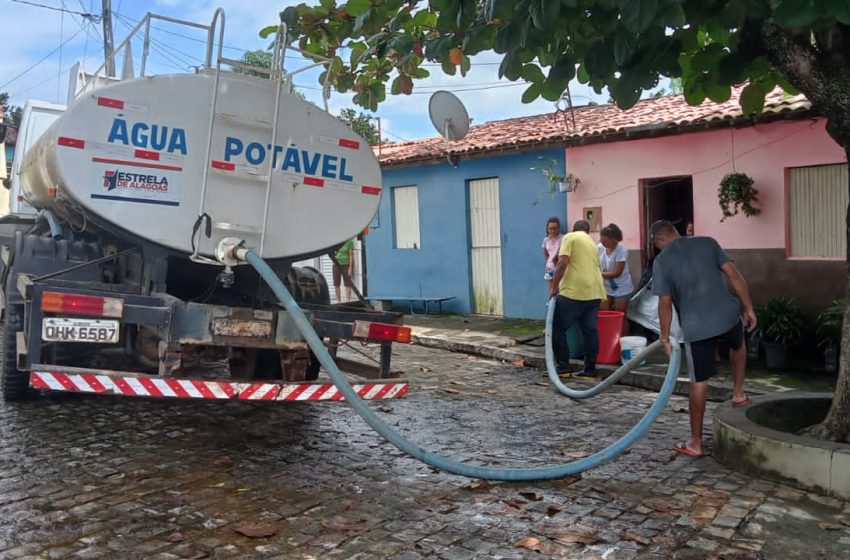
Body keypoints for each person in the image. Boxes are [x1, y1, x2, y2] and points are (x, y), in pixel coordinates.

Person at [649, 220, 757, 458]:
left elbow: (664, 303)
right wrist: (748, 308)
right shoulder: (707, 242)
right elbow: (734, 276)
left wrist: (665, 336)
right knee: (738, 346)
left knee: (699, 382)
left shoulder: (662, 261)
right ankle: (739, 394)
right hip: (728, 314)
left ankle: (696, 443)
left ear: (660, 240)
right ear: (675, 232)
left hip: (696, 327)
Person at [549, 220, 607, 376]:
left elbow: (563, 262)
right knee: (590, 332)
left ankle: (563, 368)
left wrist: (554, 287)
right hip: (594, 293)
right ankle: (590, 369)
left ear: (574, 230)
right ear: (587, 231)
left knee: (557, 328)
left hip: (574, 292)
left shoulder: (570, 237)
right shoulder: (592, 244)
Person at [597, 223, 634, 335]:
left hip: (621, 286)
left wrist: (598, 274)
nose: (602, 243)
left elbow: (617, 273)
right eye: (601, 241)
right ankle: (608, 337)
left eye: (605, 241)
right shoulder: (600, 247)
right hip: (606, 285)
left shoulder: (621, 250)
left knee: (620, 314)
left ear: (614, 240)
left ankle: (623, 340)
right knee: (604, 313)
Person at [542, 217, 563, 293]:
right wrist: (549, 262)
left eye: (555, 228)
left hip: (560, 267)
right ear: (547, 229)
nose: (552, 231)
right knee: (550, 289)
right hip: (549, 268)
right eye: (550, 228)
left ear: (558, 228)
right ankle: (551, 303)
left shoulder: (563, 239)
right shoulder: (545, 240)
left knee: (560, 288)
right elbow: (546, 254)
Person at [333, 238, 355, 302]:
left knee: (348, 283)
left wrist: (350, 267)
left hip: (346, 264)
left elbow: (351, 255)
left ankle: (348, 300)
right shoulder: (336, 241)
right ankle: (338, 300)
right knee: (336, 283)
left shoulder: (349, 242)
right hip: (336, 264)